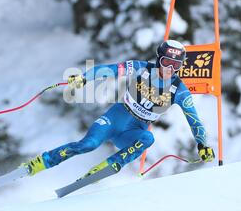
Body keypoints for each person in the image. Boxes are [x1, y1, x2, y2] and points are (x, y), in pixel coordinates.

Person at [22, 40, 215, 178]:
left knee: (148, 138)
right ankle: (40, 163)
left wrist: (203, 145)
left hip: (135, 130)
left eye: (176, 65)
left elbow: (194, 120)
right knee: (87, 145)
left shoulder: (180, 91)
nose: (169, 69)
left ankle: (110, 165)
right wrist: (85, 77)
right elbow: (111, 69)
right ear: (158, 59)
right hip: (116, 117)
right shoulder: (141, 68)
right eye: (166, 62)